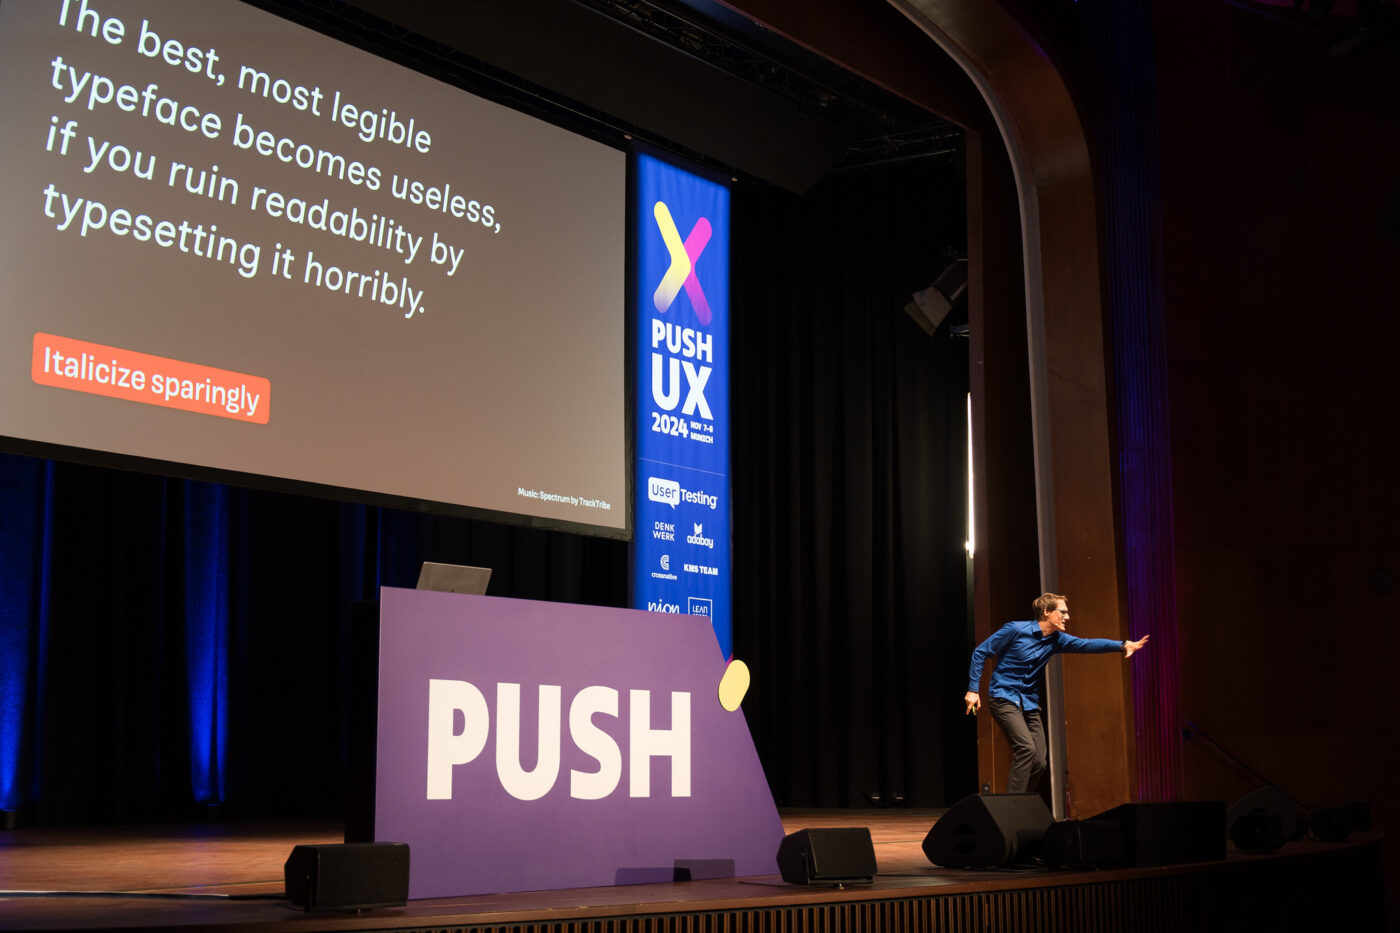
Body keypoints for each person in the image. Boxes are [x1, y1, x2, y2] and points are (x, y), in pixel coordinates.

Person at [963, 593, 1149, 794]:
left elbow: (1087, 644)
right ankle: (1012, 805)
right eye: (1063, 612)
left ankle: (1020, 801)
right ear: (1046, 612)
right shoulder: (1016, 629)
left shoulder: (1057, 640)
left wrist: (1122, 645)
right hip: (1003, 698)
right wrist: (973, 689)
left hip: (1029, 704)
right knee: (1026, 749)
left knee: (1039, 762)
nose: (1067, 617)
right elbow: (981, 652)